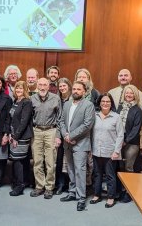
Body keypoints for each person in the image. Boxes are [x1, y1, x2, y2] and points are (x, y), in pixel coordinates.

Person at [58, 81, 95, 211]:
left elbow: (87, 124)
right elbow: (61, 121)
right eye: (74, 89)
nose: (76, 91)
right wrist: (65, 135)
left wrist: (71, 136)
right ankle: (72, 192)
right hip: (67, 142)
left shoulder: (88, 105)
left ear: (84, 91)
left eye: (79, 89)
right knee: (71, 169)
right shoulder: (67, 104)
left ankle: (81, 198)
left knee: (80, 171)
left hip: (81, 143)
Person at [30, 78, 62, 199]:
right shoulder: (32, 98)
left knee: (50, 162)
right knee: (37, 161)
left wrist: (58, 136)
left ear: (49, 86)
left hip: (51, 131)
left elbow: (60, 119)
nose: (42, 87)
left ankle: (49, 187)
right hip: (36, 131)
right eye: (40, 85)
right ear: (37, 86)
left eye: (45, 85)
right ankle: (39, 186)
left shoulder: (55, 98)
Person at [90, 93, 124, 208]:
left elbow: (120, 135)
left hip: (110, 152)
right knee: (97, 174)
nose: (105, 103)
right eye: (103, 101)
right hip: (96, 151)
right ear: (99, 103)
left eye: (108, 102)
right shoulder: (94, 116)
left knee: (110, 176)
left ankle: (110, 197)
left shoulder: (116, 117)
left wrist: (116, 151)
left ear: (111, 104)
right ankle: (96, 195)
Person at [116, 84, 142, 203]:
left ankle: (129, 192)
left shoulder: (138, 110)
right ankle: (121, 190)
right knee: (120, 167)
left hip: (131, 143)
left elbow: (136, 129)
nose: (128, 95)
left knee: (128, 167)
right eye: (127, 93)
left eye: (131, 93)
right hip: (119, 142)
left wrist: (125, 141)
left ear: (135, 95)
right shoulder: (120, 107)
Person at [8, 81, 33, 196]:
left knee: (17, 160)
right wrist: (10, 134)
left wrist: (16, 137)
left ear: (25, 90)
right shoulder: (15, 101)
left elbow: (24, 122)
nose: (18, 90)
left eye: (21, 88)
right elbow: (12, 119)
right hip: (14, 135)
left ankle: (20, 186)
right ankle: (21, 181)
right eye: (17, 88)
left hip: (21, 136)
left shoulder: (26, 102)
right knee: (18, 159)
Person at [74, 68, 98, 188]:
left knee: (90, 158)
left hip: (91, 130)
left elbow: (99, 110)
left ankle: (89, 183)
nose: (81, 79)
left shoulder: (95, 93)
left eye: (84, 77)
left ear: (88, 79)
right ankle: (78, 183)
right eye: (79, 77)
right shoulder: (74, 93)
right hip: (76, 130)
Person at [55, 77, 73, 195]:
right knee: (59, 160)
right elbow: (58, 119)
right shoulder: (57, 99)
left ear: (68, 86)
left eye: (64, 85)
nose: (62, 88)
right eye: (60, 86)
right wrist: (59, 134)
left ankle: (70, 184)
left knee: (70, 160)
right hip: (60, 133)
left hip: (71, 134)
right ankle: (60, 184)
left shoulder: (73, 99)